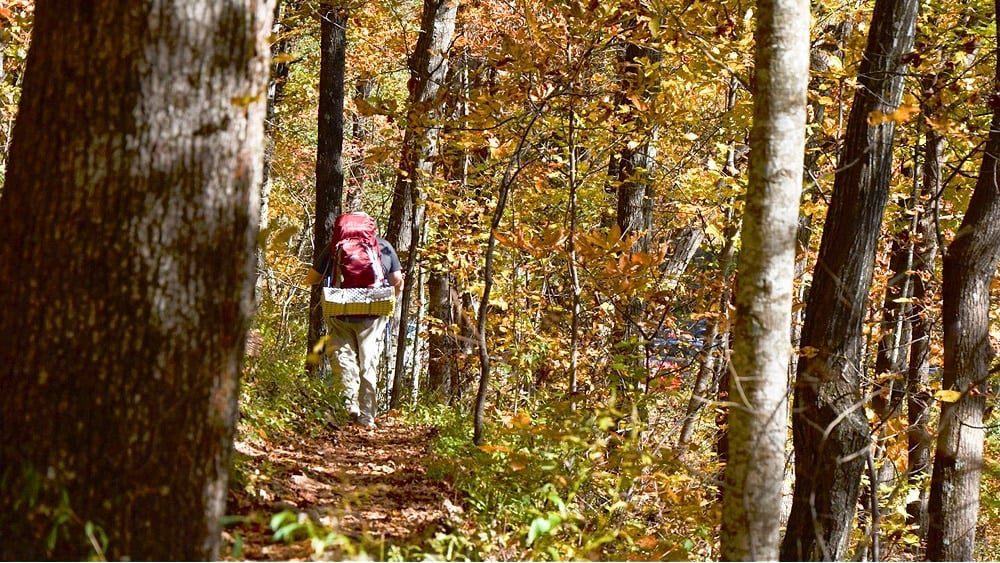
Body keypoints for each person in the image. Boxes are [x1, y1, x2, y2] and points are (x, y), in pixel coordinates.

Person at [305, 216, 403, 429]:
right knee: (368, 364)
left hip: (339, 311)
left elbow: (311, 278)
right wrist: (389, 298)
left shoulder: (334, 248)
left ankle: (350, 408)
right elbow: (397, 282)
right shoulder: (383, 247)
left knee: (344, 361)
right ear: (371, 227)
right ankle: (367, 417)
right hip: (373, 314)